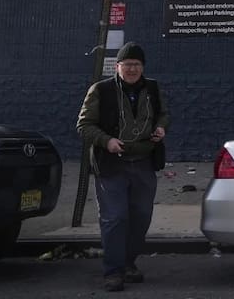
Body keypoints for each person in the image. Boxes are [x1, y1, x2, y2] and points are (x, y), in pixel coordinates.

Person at [77, 42, 170, 292]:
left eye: (137, 65)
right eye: (127, 64)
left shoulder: (152, 88)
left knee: (141, 217)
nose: (132, 69)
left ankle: (128, 263)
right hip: (112, 164)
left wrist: (161, 127)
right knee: (115, 218)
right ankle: (113, 271)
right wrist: (107, 141)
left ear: (143, 67)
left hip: (143, 163)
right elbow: (84, 125)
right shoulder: (101, 90)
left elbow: (164, 114)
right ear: (117, 66)